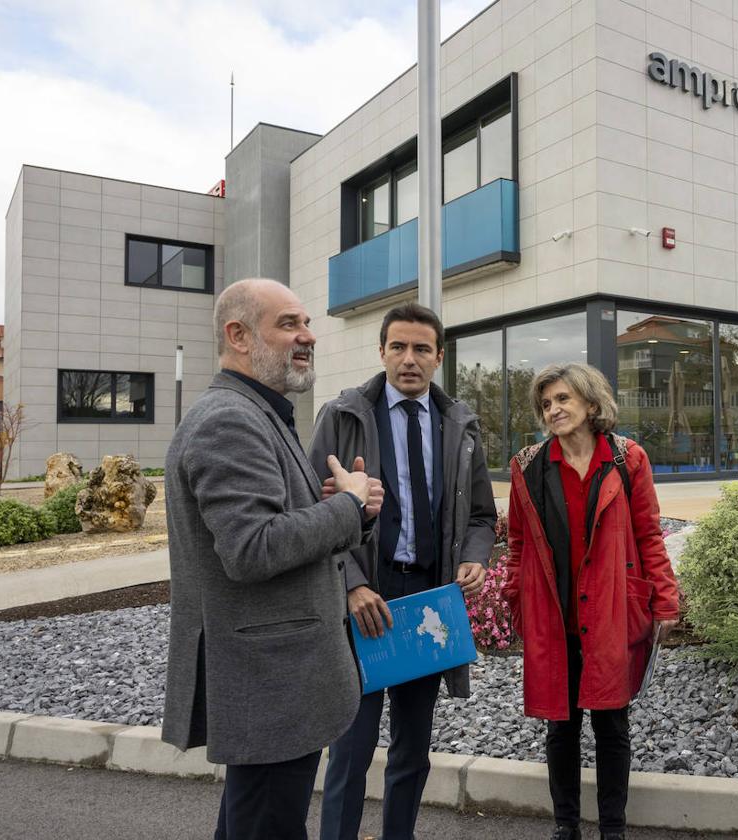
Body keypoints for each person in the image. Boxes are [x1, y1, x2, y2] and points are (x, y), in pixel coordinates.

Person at [163, 278, 384, 840]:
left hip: (275, 685)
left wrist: (342, 509)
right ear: (237, 335)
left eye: (306, 323)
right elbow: (251, 548)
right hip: (271, 687)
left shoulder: (257, 411)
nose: (308, 336)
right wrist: (350, 508)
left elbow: (269, 526)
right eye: (289, 324)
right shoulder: (229, 420)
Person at [310, 302, 497, 840]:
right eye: (398, 347)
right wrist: (352, 584)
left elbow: (482, 515)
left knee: (413, 750)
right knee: (351, 748)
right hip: (366, 596)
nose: (408, 359)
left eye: (421, 349)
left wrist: (474, 556)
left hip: (429, 599)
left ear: (439, 357)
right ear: (382, 351)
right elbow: (309, 512)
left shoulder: (459, 423)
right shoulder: (343, 416)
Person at [503, 363, 680, 840]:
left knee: (611, 724)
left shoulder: (628, 459)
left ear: (592, 405)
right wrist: (517, 601)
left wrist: (664, 599)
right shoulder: (528, 466)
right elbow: (517, 542)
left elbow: (649, 535)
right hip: (553, 612)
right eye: (546, 403)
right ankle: (566, 824)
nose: (553, 409)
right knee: (559, 727)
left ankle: (613, 828)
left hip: (611, 611)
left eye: (563, 399)